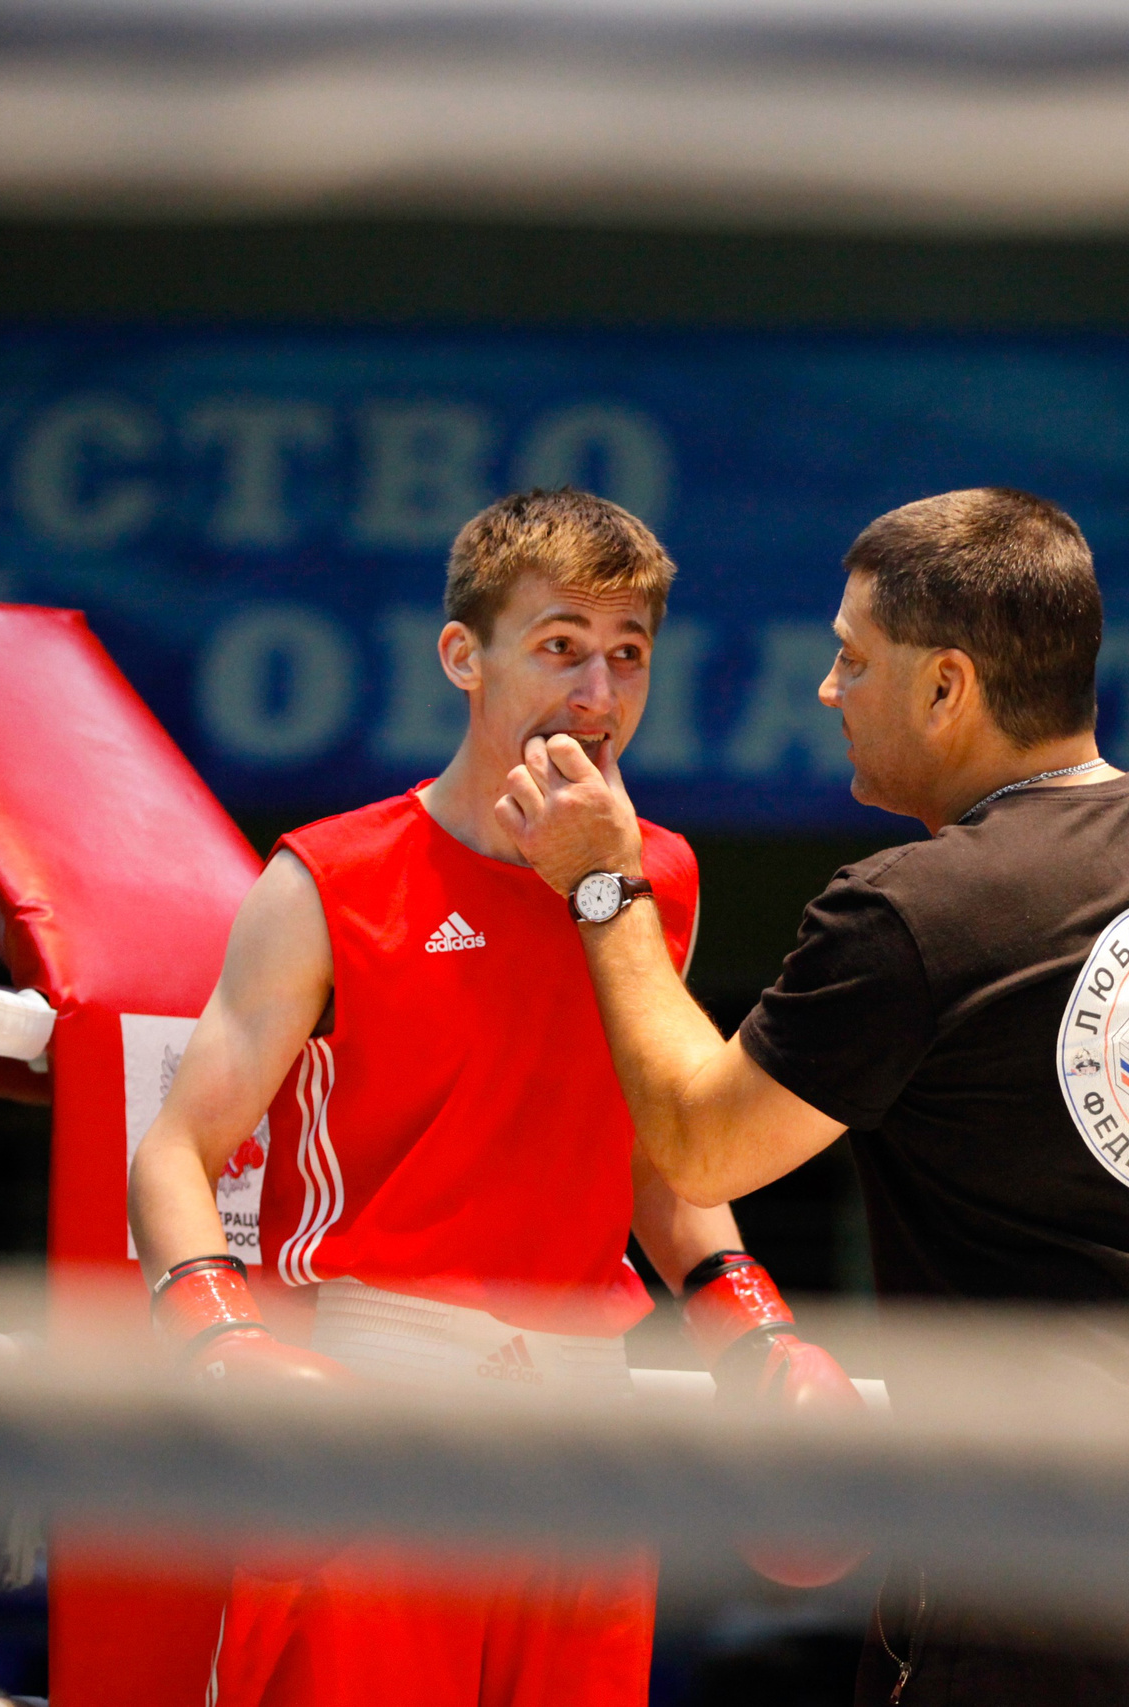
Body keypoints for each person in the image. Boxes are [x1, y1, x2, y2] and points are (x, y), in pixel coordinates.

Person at [496, 487, 1129, 1707]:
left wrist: (606, 885)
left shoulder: (912, 910)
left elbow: (699, 1146)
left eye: (852, 658)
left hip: (1043, 1552)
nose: (828, 690)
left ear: (947, 688)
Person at [126, 487, 860, 1707]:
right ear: (464, 656)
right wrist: (219, 1343)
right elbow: (175, 1149)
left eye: (629, 657)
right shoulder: (329, 879)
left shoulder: (649, 878)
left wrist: (751, 1327)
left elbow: (652, 1150)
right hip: (371, 1395)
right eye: (561, 647)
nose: (599, 696)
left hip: (583, 1413)